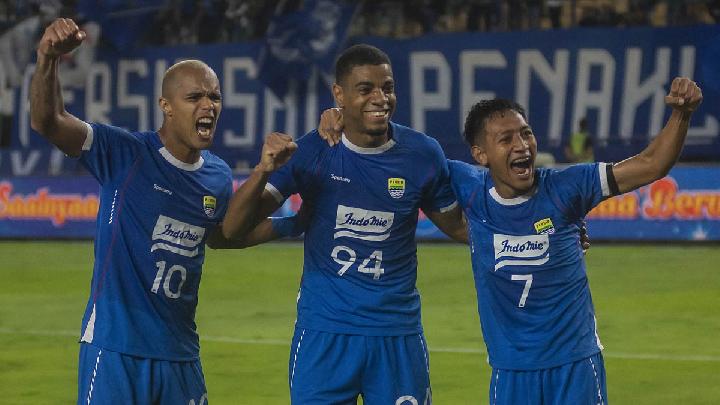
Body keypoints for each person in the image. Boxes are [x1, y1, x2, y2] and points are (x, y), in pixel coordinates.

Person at [30, 18, 296, 404]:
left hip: (180, 354)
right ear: (166, 107)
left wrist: (294, 221)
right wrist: (47, 58)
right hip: (116, 349)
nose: (208, 106)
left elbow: (222, 235)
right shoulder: (125, 154)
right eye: (195, 97)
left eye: (215, 97)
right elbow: (48, 121)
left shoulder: (217, 175)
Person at [222, 44, 468, 404]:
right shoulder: (310, 152)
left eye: (387, 87)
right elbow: (232, 229)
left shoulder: (422, 154)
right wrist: (263, 171)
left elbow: (459, 227)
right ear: (339, 94)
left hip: (396, 333)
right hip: (325, 333)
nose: (380, 98)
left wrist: (533, 231)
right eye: (366, 89)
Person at [448, 77, 701, 403]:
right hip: (511, 369)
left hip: (575, 364)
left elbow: (651, 164)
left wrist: (682, 115)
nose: (522, 145)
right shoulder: (470, 190)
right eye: (506, 139)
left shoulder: (567, 187)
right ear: (481, 154)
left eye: (526, 133)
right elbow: (413, 167)